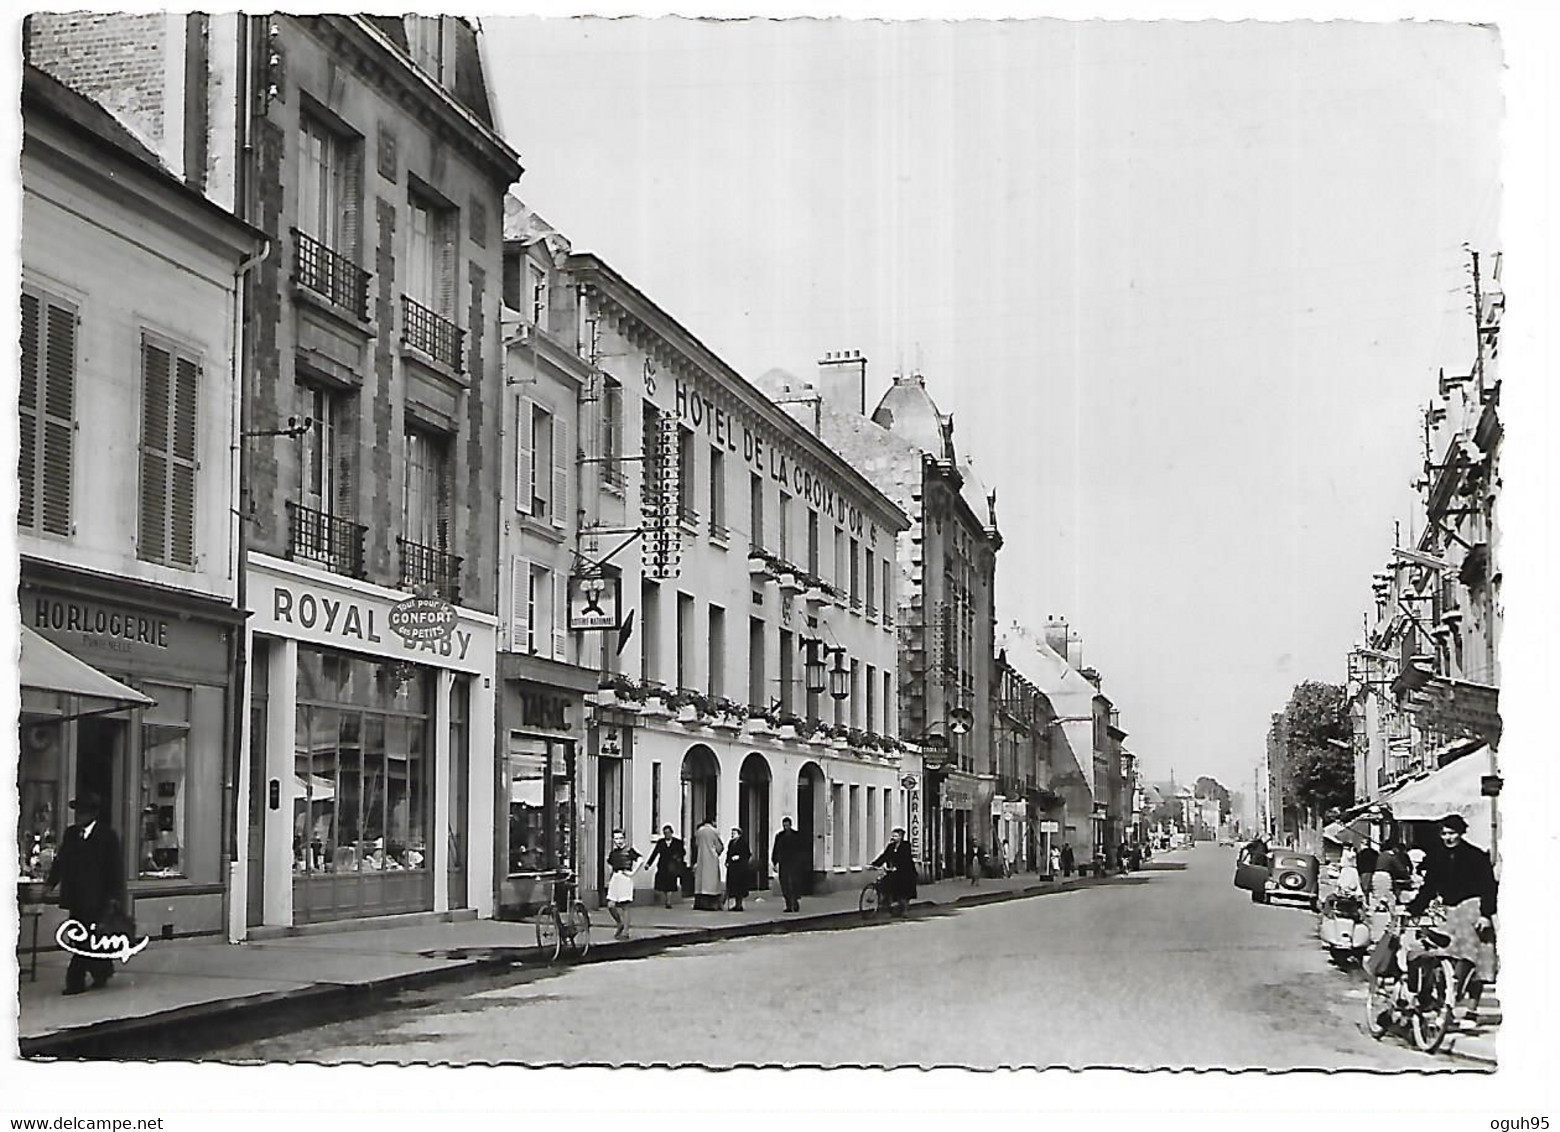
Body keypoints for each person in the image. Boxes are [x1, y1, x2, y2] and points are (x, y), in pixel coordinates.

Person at [1406, 813, 1498, 1026]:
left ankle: (1471, 1010)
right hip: (1449, 911)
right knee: (1439, 954)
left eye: (1452, 833)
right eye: (1444, 833)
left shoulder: (1475, 856)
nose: (1448, 838)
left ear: (1461, 833)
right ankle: (1444, 1004)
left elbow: (1488, 887)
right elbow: (1429, 888)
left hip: (1473, 909)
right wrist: (1414, 909)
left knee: (1476, 961)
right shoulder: (1437, 857)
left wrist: (1486, 914)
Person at [44, 793, 125, 996]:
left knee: (85, 938)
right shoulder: (71, 834)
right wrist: (50, 884)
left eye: (84, 812)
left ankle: (75, 981)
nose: (79, 816)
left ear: (94, 813)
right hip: (76, 897)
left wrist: (114, 897)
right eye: (78, 812)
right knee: (85, 936)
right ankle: (103, 970)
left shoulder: (107, 836)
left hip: (98, 897)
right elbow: (61, 861)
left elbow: (114, 868)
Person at [870, 827, 918, 915]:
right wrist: (874, 864)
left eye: (895, 836)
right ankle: (887, 901)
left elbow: (906, 859)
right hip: (894, 872)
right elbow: (884, 856)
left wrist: (897, 867)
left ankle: (904, 909)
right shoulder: (891, 846)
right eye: (893, 836)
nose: (893, 838)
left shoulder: (906, 846)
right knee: (884, 883)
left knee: (903, 892)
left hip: (906, 872)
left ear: (900, 837)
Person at [604, 829, 641, 939]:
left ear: (624, 838)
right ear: (613, 840)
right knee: (610, 905)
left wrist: (632, 872)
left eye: (620, 838)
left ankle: (626, 930)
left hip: (625, 878)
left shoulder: (629, 850)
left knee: (625, 906)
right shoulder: (613, 853)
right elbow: (610, 864)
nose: (619, 841)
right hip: (616, 878)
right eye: (616, 838)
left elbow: (640, 859)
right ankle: (619, 923)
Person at [642, 825, 685, 909]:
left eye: (668, 833)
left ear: (671, 833)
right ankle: (663, 897)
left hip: (672, 866)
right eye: (665, 833)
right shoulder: (661, 842)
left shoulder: (677, 842)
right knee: (661, 881)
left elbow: (683, 852)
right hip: (663, 865)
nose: (667, 835)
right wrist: (648, 864)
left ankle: (668, 901)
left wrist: (677, 857)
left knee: (671, 882)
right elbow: (655, 853)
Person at [771, 816, 809, 912]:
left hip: (795, 863)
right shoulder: (779, 836)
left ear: (790, 825)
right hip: (784, 863)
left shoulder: (797, 836)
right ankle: (788, 904)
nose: (785, 827)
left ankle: (795, 902)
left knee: (794, 883)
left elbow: (802, 849)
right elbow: (776, 849)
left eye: (787, 825)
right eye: (784, 825)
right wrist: (774, 862)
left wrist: (802, 862)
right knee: (784, 884)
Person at [691, 819, 725, 910]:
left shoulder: (699, 832)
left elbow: (696, 844)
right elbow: (719, 846)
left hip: (701, 858)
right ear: (712, 822)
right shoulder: (714, 831)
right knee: (712, 882)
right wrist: (717, 852)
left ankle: (700, 903)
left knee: (701, 882)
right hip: (711, 859)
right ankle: (713, 904)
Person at [724, 826, 753, 911]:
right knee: (733, 886)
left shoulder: (742, 842)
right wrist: (727, 861)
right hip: (733, 867)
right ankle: (736, 904)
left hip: (740, 868)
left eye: (734, 833)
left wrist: (739, 857)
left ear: (739, 834)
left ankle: (739, 904)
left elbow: (747, 853)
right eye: (732, 833)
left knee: (739, 887)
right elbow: (728, 853)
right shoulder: (731, 842)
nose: (732, 835)